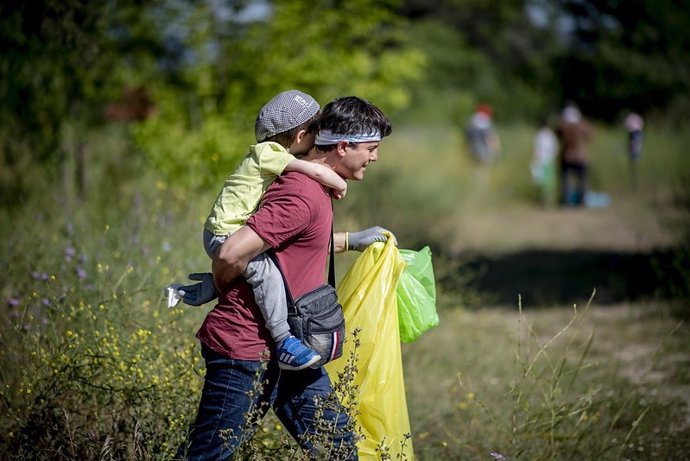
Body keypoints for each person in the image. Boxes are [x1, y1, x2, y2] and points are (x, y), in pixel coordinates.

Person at [180, 96, 393, 460]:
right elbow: (231, 252)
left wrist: (352, 241)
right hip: (246, 348)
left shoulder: (313, 189)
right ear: (343, 147)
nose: (374, 157)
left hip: (291, 348)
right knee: (210, 455)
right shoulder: (302, 192)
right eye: (371, 149)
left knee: (338, 449)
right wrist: (216, 286)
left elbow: (291, 246)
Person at [168, 90, 349, 371]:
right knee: (268, 275)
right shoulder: (270, 153)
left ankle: (201, 289)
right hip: (224, 233)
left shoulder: (267, 153)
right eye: (316, 133)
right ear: (301, 136)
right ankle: (284, 340)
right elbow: (314, 172)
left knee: (260, 270)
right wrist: (339, 184)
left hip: (223, 230)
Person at [556, 102, 592, 206]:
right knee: (582, 180)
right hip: (580, 156)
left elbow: (557, 133)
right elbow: (591, 135)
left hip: (567, 156)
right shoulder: (581, 125)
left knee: (566, 180)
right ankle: (582, 201)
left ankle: (566, 200)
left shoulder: (563, 126)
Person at [530, 116, 558, 206]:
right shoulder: (551, 135)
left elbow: (536, 149)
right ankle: (545, 199)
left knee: (542, 181)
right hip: (549, 160)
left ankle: (543, 199)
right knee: (547, 182)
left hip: (542, 160)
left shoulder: (539, 135)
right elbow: (555, 149)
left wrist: (534, 160)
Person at [624, 112, 644, 188]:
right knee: (634, 168)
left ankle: (634, 185)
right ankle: (634, 185)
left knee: (634, 168)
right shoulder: (638, 133)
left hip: (635, 153)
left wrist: (629, 148)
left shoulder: (635, 134)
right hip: (635, 152)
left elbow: (634, 144)